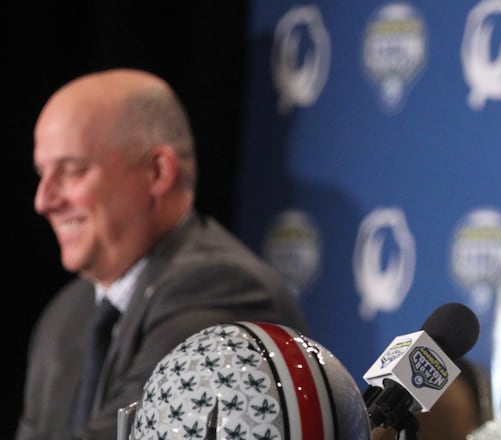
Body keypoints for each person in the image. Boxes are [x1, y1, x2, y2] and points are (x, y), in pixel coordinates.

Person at [16, 68, 309, 440]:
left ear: (157, 172)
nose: (44, 200)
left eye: (71, 171)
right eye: (42, 173)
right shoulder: (65, 315)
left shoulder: (220, 288)